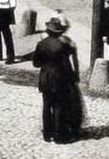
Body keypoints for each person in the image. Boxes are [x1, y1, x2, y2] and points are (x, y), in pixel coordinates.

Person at [33, 13, 82, 143]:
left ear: (48, 30)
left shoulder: (41, 44)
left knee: (46, 106)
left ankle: (47, 134)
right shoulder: (64, 45)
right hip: (60, 78)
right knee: (59, 106)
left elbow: (36, 63)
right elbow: (69, 61)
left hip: (45, 79)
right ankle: (59, 135)